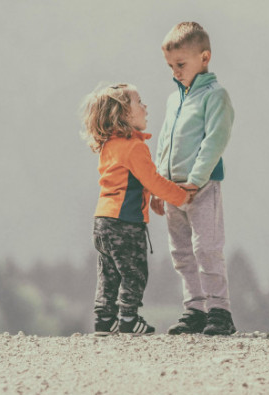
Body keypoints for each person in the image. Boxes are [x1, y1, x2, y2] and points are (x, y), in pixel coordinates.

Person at [80, 82, 194, 334]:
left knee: (108, 273)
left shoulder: (109, 145)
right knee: (135, 271)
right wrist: (182, 197)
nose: (145, 106)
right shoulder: (134, 146)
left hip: (102, 220)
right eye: (139, 102)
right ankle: (128, 319)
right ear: (123, 114)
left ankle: (104, 318)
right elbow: (151, 180)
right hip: (125, 221)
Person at [149, 22, 237, 336]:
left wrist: (197, 180)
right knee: (181, 252)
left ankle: (219, 311)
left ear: (205, 58)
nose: (175, 72)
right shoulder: (174, 100)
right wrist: (157, 185)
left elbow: (215, 140)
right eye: (170, 66)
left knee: (207, 248)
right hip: (173, 191)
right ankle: (195, 309)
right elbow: (164, 142)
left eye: (181, 65)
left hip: (202, 188)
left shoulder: (216, 96)